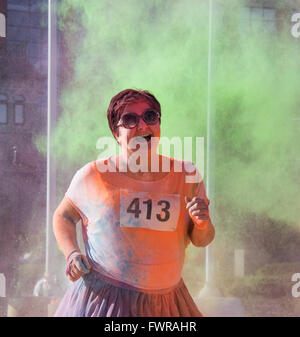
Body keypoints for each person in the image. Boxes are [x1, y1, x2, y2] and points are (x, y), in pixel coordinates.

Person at [53, 89, 215, 317]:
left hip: (166, 305)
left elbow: (202, 239)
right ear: (115, 132)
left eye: (150, 116)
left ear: (159, 124)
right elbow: (63, 216)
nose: (142, 126)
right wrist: (71, 253)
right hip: (105, 302)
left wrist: (202, 224)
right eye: (130, 119)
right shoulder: (93, 175)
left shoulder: (186, 175)